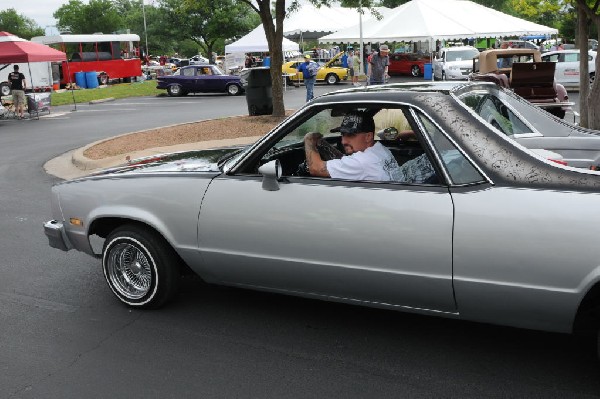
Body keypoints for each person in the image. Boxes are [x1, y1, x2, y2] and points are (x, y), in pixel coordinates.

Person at [303, 111, 401, 181]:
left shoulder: (361, 162)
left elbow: (315, 169)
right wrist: (324, 145)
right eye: (343, 134)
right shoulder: (380, 149)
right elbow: (345, 160)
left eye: (350, 135)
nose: (343, 141)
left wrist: (309, 138)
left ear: (368, 136)